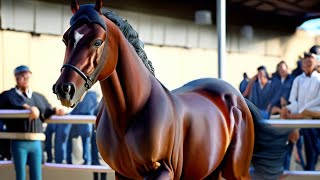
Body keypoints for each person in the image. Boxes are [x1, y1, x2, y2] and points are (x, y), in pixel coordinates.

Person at [0, 65, 65, 180]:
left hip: (36, 142)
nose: (25, 78)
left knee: (37, 176)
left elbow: (46, 110)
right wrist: (25, 108)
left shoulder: (38, 97)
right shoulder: (8, 95)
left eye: (27, 76)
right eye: (21, 76)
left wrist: (56, 110)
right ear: (16, 78)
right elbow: (7, 104)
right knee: (20, 176)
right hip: (19, 141)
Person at [281, 52, 320, 170]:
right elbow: (293, 100)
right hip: (298, 119)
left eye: (310, 61)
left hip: (312, 123)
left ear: (316, 62)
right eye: (305, 61)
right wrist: (293, 112)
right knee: (289, 149)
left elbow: (317, 102)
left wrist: (302, 112)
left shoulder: (318, 79)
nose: (307, 63)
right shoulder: (298, 79)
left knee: (311, 154)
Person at [66, 91, 98, 165]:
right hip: (79, 119)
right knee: (85, 141)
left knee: (86, 141)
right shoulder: (89, 94)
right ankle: (87, 161)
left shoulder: (90, 94)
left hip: (83, 120)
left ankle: (87, 161)